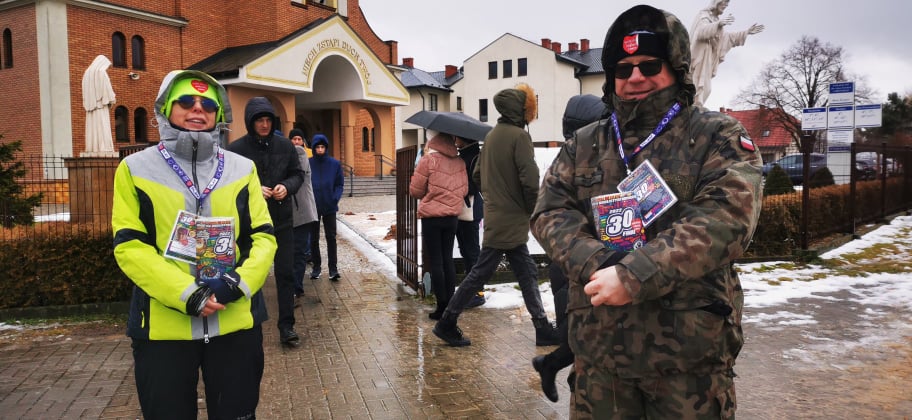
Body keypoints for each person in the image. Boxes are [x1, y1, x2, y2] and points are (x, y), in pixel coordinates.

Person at [531, 5, 763, 417]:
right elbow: (550, 212)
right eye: (623, 69)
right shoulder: (585, 143)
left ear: (676, 67)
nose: (635, 76)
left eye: (648, 64)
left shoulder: (716, 135)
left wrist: (634, 274)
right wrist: (601, 261)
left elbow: (727, 218)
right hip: (600, 361)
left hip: (686, 364)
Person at [112, 70, 277, 418]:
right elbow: (129, 246)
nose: (197, 109)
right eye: (186, 101)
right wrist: (188, 294)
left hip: (235, 323)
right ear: (166, 109)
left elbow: (263, 237)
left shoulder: (242, 168)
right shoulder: (134, 169)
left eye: (208, 104)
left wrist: (236, 284)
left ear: (219, 114)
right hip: (162, 329)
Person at [432, 83, 559, 347]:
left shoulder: (491, 137)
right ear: (521, 111)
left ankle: (542, 326)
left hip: (497, 216)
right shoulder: (519, 137)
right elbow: (529, 178)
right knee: (481, 273)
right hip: (512, 218)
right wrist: (532, 208)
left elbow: (477, 175)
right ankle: (447, 321)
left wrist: (494, 197)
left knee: (526, 272)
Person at [531, 93, 604, 403]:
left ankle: (553, 367)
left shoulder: (583, 160)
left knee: (586, 336)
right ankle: (558, 370)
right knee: (583, 336)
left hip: (581, 264)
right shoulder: (575, 164)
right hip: (579, 266)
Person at [227, 97, 305, 347]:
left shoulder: (285, 146)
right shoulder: (236, 150)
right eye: (259, 120)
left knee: (285, 274)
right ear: (250, 122)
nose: (264, 124)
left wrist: (286, 186)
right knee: (250, 274)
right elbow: (228, 183)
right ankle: (248, 323)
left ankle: (287, 326)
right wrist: (252, 190)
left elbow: (297, 174)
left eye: (267, 120)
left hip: (281, 221)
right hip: (249, 225)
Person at [409, 131, 468, 320]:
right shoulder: (460, 162)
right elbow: (465, 189)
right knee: (447, 259)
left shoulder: (428, 161)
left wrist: (430, 192)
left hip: (432, 217)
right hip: (452, 217)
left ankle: (441, 306)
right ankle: (451, 303)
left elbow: (415, 191)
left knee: (436, 261)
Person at [689, 0, 764, 106]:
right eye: (724, 1)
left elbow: (725, 39)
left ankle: (695, 109)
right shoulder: (704, 15)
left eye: (727, 3)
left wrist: (746, 32)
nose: (726, 5)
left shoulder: (716, 20)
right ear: (716, 2)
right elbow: (701, 33)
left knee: (706, 89)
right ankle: (692, 108)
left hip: (707, 59)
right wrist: (718, 24)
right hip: (699, 59)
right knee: (698, 87)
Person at [453, 135, 487, 309]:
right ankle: (470, 290)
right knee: (466, 250)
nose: (455, 140)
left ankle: (478, 292)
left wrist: (458, 187)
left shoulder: (474, 157)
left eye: (457, 138)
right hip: (464, 209)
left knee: (472, 251)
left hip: (470, 209)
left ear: (465, 139)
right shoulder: (465, 155)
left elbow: (475, 185)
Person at [308, 133, 344, 281]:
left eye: (323, 147)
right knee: (314, 238)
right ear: (314, 148)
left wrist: (334, 198)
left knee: (331, 237)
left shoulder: (334, 164)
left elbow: (339, 184)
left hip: (329, 206)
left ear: (326, 148)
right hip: (313, 206)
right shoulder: (308, 163)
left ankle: (333, 269)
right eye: (318, 147)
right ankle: (316, 268)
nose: (320, 149)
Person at [289, 128, 318, 299]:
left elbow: (297, 172)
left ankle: (296, 287)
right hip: (295, 211)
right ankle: (294, 286)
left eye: (299, 139)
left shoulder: (299, 153)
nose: (296, 142)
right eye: (293, 139)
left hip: (301, 211)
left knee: (298, 251)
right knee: (293, 251)